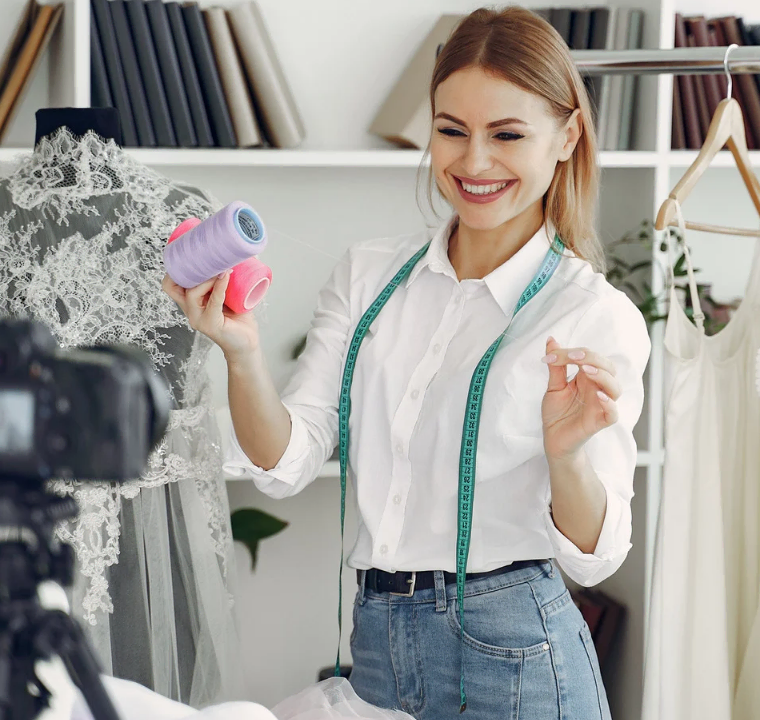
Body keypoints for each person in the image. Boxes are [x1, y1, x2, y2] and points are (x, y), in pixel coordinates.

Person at [164, 6, 650, 719]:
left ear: (567, 135)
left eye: (507, 134)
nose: (474, 162)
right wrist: (240, 354)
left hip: (514, 651)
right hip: (379, 636)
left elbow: (595, 556)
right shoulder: (368, 275)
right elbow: (286, 459)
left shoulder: (591, 314)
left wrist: (567, 455)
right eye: (451, 131)